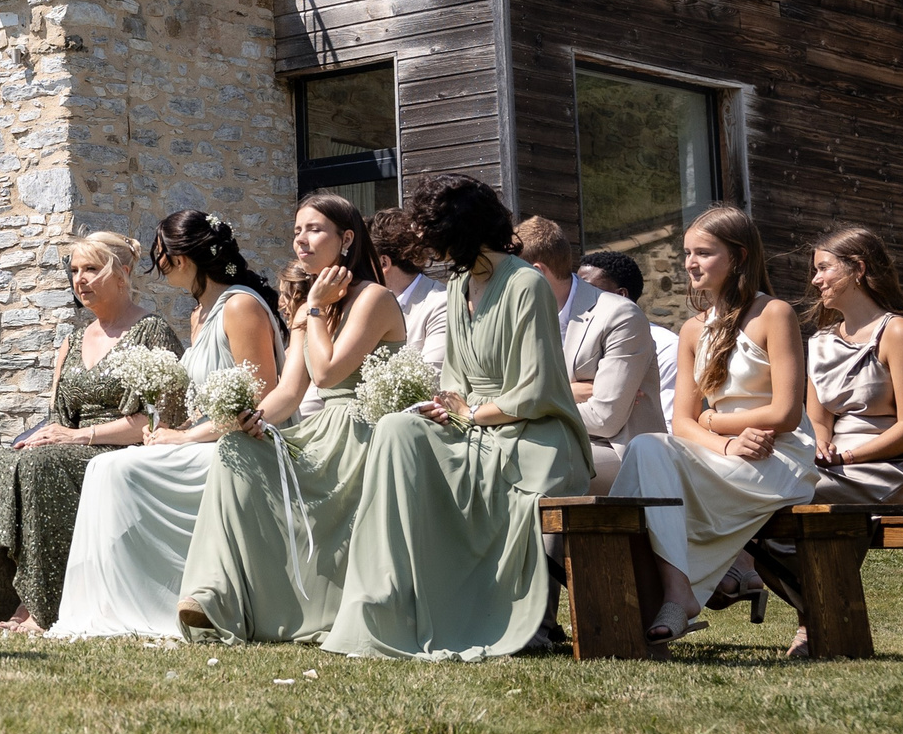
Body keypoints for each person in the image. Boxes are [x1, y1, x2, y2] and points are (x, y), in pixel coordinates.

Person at [325, 173, 591, 661]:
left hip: (533, 436)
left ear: (460, 229)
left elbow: (535, 390)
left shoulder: (526, 283)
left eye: (430, 230)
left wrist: (471, 412)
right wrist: (443, 409)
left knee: (407, 437)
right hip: (472, 423)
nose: (423, 241)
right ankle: (385, 599)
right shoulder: (460, 285)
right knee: (396, 429)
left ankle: (496, 613)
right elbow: (454, 378)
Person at [178, 194, 406, 644]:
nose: (302, 238)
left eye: (315, 229)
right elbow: (290, 390)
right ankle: (214, 597)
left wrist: (317, 307)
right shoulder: (308, 308)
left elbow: (328, 372)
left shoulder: (373, 298)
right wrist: (253, 417)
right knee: (235, 450)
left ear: (346, 239)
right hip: (321, 432)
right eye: (298, 229)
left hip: (369, 432)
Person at [45, 210, 280, 641]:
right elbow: (205, 394)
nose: (157, 264)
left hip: (247, 443)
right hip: (205, 439)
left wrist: (186, 435)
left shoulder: (241, 306)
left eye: (162, 255)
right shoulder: (198, 316)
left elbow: (263, 401)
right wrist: (168, 431)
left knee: (114, 468)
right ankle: (109, 605)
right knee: (106, 468)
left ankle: (151, 603)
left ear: (184, 258)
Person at [611, 206, 818, 645]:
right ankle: (674, 592)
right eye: (687, 252)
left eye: (703, 252)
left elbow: (785, 413)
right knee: (646, 448)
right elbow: (682, 423)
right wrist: (724, 442)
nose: (689, 263)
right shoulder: (691, 330)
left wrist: (715, 420)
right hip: (726, 454)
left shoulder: (774, 314)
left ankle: (653, 598)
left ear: (739, 256)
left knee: (649, 460)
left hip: (778, 456)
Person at [0, 233, 179, 630]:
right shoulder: (72, 340)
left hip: (121, 452)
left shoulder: (152, 332)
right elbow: (60, 419)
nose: (80, 279)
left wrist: (79, 437)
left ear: (123, 273)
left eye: (91, 269)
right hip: (72, 448)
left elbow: (156, 421)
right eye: (75, 271)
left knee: (40, 467)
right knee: (5, 461)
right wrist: (44, 435)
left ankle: (41, 607)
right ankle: (9, 596)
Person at [516, 217, 661, 492]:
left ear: (536, 272)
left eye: (509, 274)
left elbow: (605, 419)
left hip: (616, 453)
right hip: (543, 441)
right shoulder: (515, 317)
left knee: (526, 466)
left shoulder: (619, 315)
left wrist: (524, 406)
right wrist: (567, 391)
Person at [802, 225, 903, 513]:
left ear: (858, 269)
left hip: (899, 468)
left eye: (823, 268)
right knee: (773, 482)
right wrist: (821, 447)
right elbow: (819, 421)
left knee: (791, 490)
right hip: (838, 468)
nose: (816, 280)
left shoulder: (898, 333)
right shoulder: (820, 342)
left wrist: (846, 458)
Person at [581, 251, 677, 417]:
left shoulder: (667, 347)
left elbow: (670, 423)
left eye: (589, 291)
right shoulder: (572, 340)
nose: (579, 298)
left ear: (621, 295)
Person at [374, 208, 449, 372]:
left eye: (364, 261)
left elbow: (432, 376)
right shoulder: (365, 304)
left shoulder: (440, 303)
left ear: (383, 263)